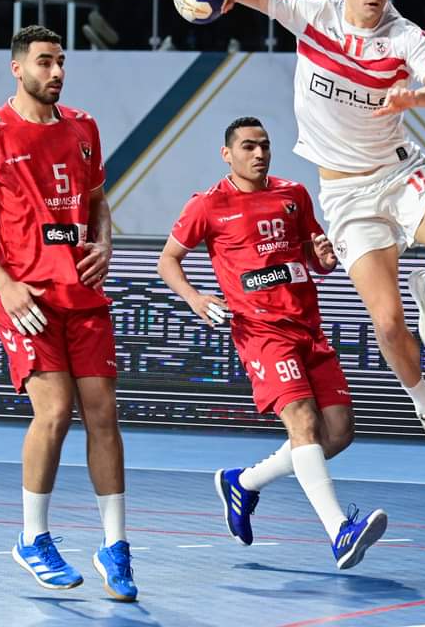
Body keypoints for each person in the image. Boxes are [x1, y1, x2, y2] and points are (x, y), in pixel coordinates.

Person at [196, 0, 425, 467]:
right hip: (347, 195)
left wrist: (415, 96)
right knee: (388, 322)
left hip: (399, 172)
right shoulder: (314, 13)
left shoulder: (404, 36)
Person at [0, 25, 137, 602]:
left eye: (61, 62)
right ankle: (33, 537)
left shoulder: (84, 127)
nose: (56, 72)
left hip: (83, 295)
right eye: (44, 62)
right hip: (26, 299)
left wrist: (104, 242)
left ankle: (115, 547)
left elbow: (98, 201)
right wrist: (4, 285)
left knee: (103, 416)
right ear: (18, 68)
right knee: (54, 412)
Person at [157, 116, 387, 569]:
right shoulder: (208, 205)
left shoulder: (293, 194)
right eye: (248, 146)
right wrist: (196, 298)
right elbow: (168, 260)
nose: (259, 153)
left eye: (264, 145)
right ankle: (340, 532)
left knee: (338, 432)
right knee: (303, 423)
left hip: (309, 328)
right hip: (261, 332)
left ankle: (244, 483)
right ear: (227, 154)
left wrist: (323, 258)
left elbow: (314, 257)